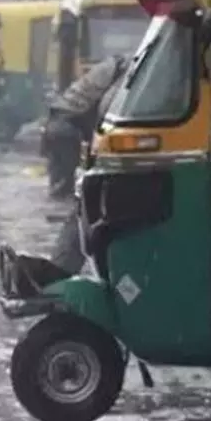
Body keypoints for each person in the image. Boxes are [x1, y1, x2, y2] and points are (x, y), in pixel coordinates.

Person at [44, 54, 130, 272]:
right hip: (68, 128)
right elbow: (105, 114)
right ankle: (62, 270)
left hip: (57, 124)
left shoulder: (114, 66)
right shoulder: (128, 72)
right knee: (84, 199)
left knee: (75, 197)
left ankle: (59, 270)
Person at [43, 53, 129, 201]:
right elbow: (103, 110)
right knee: (67, 184)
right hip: (67, 126)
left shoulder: (107, 68)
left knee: (59, 186)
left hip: (56, 121)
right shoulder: (121, 74)